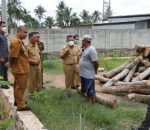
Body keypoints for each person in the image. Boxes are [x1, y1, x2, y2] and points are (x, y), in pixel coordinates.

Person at [9, 26, 30, 111]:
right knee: (21, 87)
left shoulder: (19, 41)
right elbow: (13, 55)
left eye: (26, 33)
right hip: (20, 69)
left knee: (17, 86)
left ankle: (18, 101)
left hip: (21, 67)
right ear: (19, 32)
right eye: (24, 32)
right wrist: (9, 63)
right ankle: (21, 106)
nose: (26, 34)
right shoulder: (16, 41)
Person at [79, 34, 99, 104]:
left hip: (88, 74)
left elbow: (96, 62)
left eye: (82, 40)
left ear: (86, 41)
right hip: (83, 73)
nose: (81, 41)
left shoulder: (91, 50)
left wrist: (95, 70)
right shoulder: (85, 48)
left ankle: (93, 102)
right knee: (86, 88)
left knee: (91, 89)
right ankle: (88, 100)